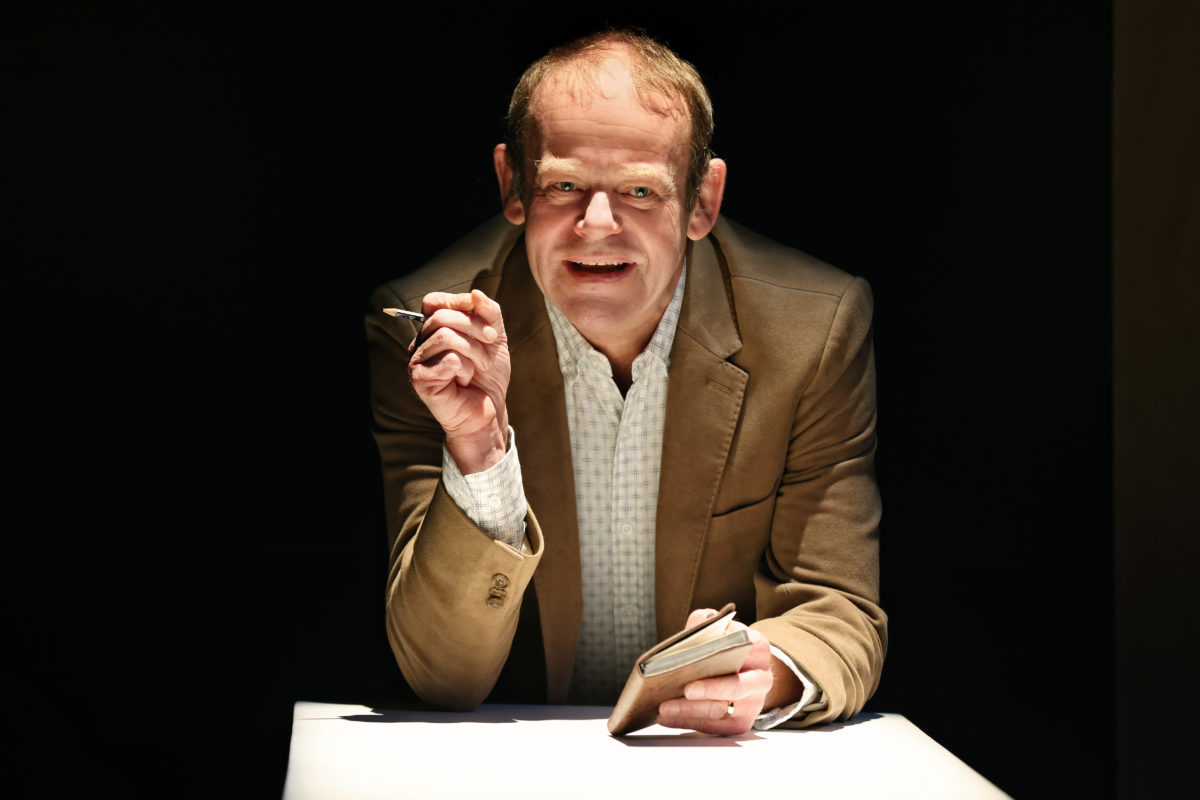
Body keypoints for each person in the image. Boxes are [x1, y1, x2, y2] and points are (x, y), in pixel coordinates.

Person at [365, 29, 885, 735]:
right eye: (565, 186)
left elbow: (839, 611)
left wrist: (774, 669)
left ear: (703, 201)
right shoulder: (427, 331)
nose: (597, 226)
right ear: (513, 186)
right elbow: (441, 675)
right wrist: (480, 450)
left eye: (640, 190)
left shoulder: (813, 335)